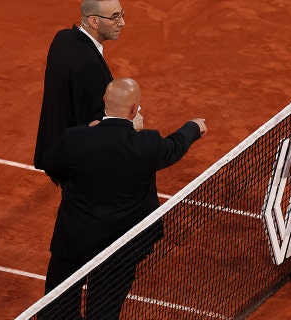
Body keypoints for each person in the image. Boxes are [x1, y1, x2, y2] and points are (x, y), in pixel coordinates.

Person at [40, 78, 207, 318]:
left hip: (74, 240)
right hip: (120, 249)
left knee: (56, 311)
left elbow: (51, 165)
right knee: (103, 314)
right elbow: (173, 146)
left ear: (104, 101)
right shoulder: (146, 144)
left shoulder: (75, 138)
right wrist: (193, 126)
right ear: (133, 109)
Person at [33, 0, 126, 170]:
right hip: (77, 162)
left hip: (57, 145)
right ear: (94, 21)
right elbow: (91, 123)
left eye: (121, 14)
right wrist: (127, 123)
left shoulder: (62, 38)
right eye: (114, 17)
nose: (122, 22)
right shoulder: (89, 64)